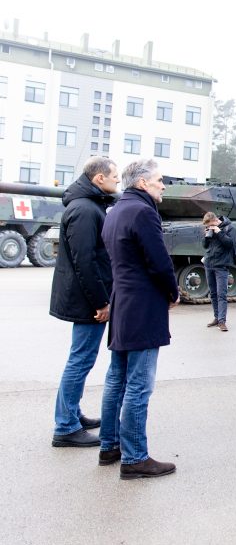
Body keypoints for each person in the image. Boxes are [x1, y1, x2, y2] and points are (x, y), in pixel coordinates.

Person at [99, 159, 180, 479]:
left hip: (122, 304)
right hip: (143, 306)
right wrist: (173, 292)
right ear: (143, 183)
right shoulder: (144, 212)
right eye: (159, 180)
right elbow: (159, 261)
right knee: (138, 385)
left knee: (116, 378)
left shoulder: (115, 211)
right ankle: (135, 457)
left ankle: (110, 446)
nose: (163, 185)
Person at [49, 156, 120, 448]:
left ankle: (72, 415)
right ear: (98, 179)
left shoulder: (88, 205)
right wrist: (101, 302)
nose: (118, 181)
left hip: (86, 298)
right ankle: (65, 426)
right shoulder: (85, 210)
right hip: (88, 301)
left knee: (81, 360)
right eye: (114, 176)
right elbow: (85, 262)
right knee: (79, 361)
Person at [201, 211, 236, 332]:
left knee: (221, 294)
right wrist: (206, 235)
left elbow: (231, 244)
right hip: (209, 264)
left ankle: (222, 321)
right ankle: (216, 318)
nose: (209, 227)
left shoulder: (229, 228)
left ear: (216, 221)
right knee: (213, 294)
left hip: (221, 266)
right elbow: (205, 246)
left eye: (210, 225)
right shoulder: (209, 229)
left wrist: (219, 232)